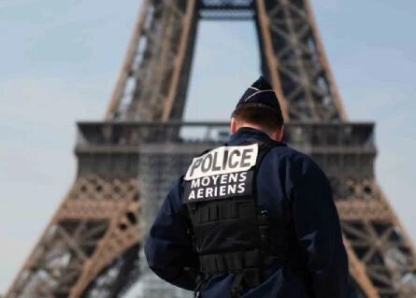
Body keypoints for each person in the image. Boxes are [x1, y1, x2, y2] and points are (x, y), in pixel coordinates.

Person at [144, 76, 349, 298]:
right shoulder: (293, 167)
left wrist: (208, 281)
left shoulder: (192, 175)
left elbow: (158, 253)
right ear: (279, 132)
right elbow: (325, 255)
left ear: (233, 126)